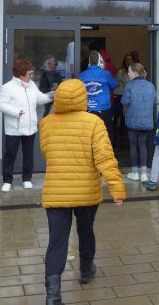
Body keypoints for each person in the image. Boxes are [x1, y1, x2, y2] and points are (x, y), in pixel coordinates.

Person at [39, 79, 126, 304]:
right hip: (87, 191)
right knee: (86, 231)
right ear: (83, 98)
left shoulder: (46, 123)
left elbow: (46, 152)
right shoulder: (94, 122)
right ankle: (86, 270)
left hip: (56, 191)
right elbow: (104, 157)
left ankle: (53, 295)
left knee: (57, 241)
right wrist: (116, 188)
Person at [0, 59, 54, 192]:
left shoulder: (32, 85)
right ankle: (7, 181)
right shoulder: (8, 87)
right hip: (14, 128)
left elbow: (40, 99)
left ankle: (27, 179)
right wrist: (16, 112)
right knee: (10, 155)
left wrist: (51, 95)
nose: (31, 76)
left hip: (30, 127)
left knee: (28, 154)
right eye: (29, 74)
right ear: (21, 74)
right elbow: (1, 104)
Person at [121, 62, 156, 182]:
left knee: (133, 145)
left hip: (133, 120)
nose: (128, 74)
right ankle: (144, 174)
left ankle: (135, 173)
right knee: (142, 145)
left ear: (135, 73)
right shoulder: (150, 85)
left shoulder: (129, 85)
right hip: (146, 120)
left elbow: (124, 101)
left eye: (129, 71)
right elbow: (154, 100)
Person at [79, 51, 119, 146]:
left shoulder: (82, 75)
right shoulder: (106, 74)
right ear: (100, 61)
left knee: (89, 135)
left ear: (89, 62)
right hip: (104, 109)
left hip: (88, 109)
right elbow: (114, 85)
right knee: (107, 133)